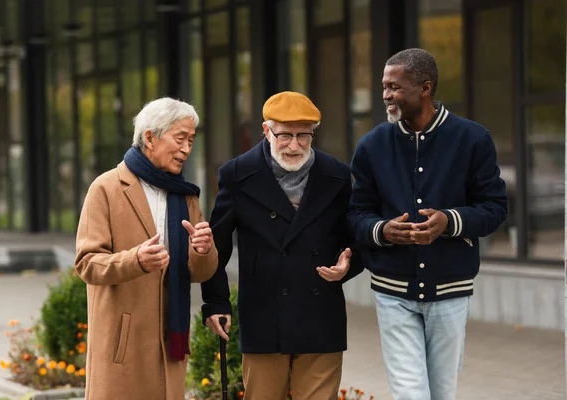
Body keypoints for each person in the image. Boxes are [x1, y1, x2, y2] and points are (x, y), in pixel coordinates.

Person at [348, 48, 508, 400]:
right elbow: (357, 213)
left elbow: (495, 208)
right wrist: (383, 230)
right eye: (384, 87)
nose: (386, 95)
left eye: (395, 87)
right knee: (410, 393)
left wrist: (449, 221)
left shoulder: (472, 139)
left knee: (442, 393)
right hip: (392, 291)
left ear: (425, 87)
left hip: (450, 288)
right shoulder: (372, 145)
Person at [201, 91, 364, 400]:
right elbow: (216, 246)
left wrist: (349, 264)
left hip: (320, 314)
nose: (294, 145)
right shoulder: (237, 175)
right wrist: (216, 302)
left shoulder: (338, 175)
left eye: (304, 136)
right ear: (266, 130)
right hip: (264, 314)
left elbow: (353, 236)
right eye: (285, 135)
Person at [74, 97, 218, 400]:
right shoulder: (107, 188)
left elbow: (200, 272)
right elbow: (86, 263)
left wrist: (203, 251)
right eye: (180, 138)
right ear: (149, 137)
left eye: (191, 140)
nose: (187, 149)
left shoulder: (186, 196)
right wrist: (135, 260)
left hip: (170, 341)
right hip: (122, 344)